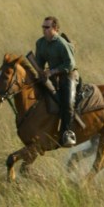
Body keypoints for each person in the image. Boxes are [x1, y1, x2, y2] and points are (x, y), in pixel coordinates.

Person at [35, 16, 78, 147]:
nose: (44, 29)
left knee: (68, 103)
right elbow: (40, 61)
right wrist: (40, 71)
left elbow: (70, 64)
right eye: (43, 27)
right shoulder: (40, 43)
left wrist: (53, 71)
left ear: (55, 29)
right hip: (51, 76)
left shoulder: (62, 44)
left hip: (68, 75)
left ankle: (67, 133)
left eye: (47, 27)